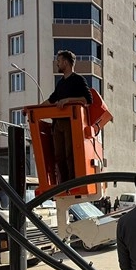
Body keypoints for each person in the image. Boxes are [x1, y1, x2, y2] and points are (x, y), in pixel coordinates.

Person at [45, 50, 91, 183]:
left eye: (59, 61)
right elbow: (51, 100)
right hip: (57, 124)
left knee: (69, 154)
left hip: (71, 123)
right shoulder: (60, 83)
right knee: (59, 156)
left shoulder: (78, 80)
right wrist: (32, 109)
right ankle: (63, 183)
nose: (57, 64)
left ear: (66, 62)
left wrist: (68, 100)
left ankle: (72, 182)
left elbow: (87, 99)